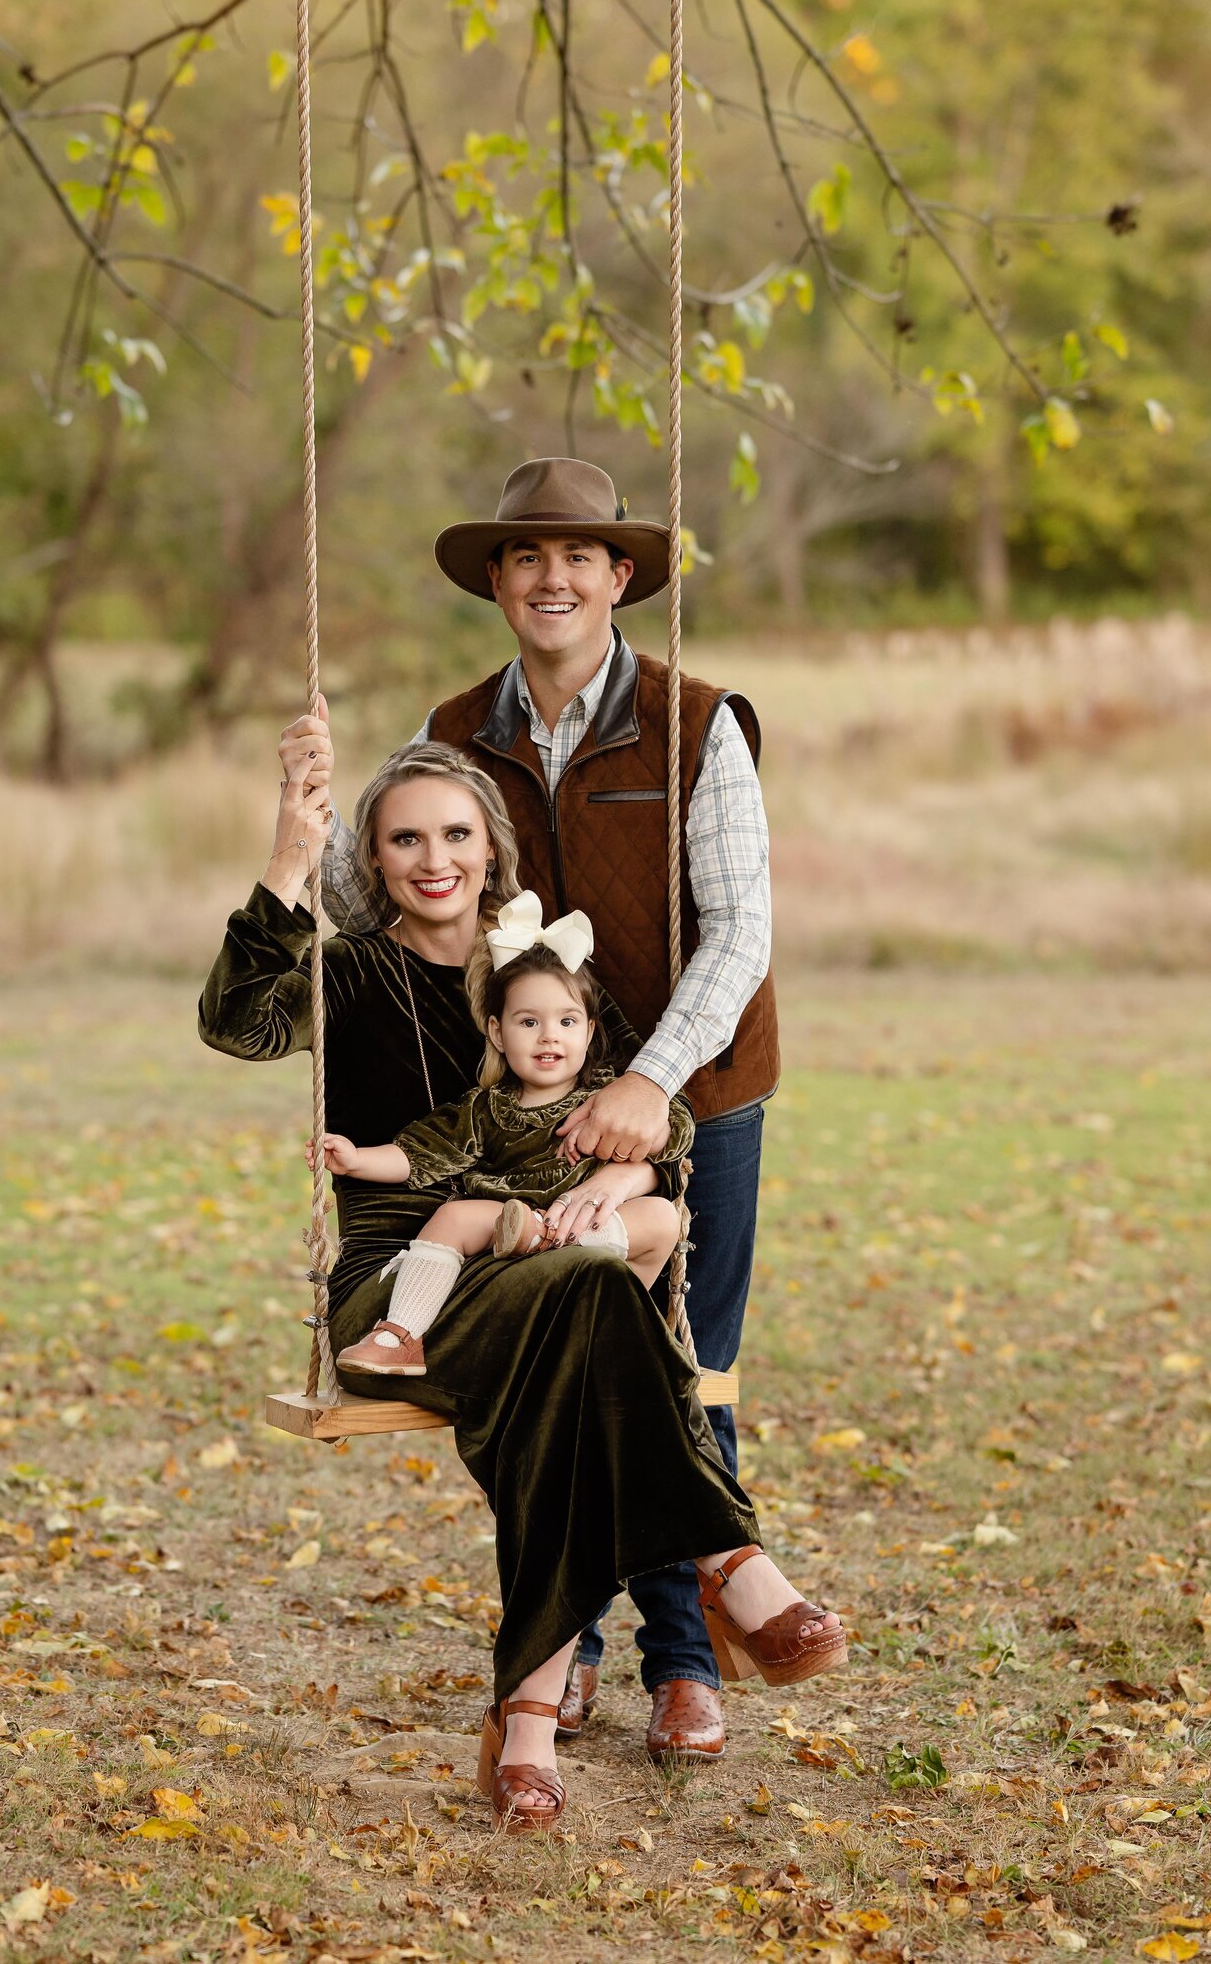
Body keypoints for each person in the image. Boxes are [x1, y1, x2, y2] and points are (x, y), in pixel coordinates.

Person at [199, 739, 842, 1832]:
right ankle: (727, 1558)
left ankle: (529, 1721)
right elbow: (239, 1023)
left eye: (456, 833)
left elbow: (646, 1128)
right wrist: (289, 857)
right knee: (589, 1302)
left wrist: (616, 1183)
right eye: (404, 838)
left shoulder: (544, 974)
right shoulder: (352, 967)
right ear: (376, 854)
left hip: (547, 1263)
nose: (433, 858)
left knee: (568, 1352)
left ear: (490, 846)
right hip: (405, 1281)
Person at [279, 454, 779, 1763]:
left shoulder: (697, 721)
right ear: (497, 580)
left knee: (678, 1361)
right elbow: (372, 893)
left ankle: (684, 1662)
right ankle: (572, 1659)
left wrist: (647, 1081)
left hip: (694, 1091)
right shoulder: (458, 723)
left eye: (579, 556)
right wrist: (319, 812)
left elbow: (740, 933)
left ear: (621, 575)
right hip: (521, 1111)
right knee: (567, 1370)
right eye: (525, 556)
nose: (552, 577)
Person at [318, 892, 694, 1378]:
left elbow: (675, 1128)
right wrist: (356, 1159)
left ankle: (617, 1326)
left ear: (589, 1030)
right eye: (529, 1022)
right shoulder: (485, 1107)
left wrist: (644, 1131)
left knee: (663, 1217)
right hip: (509, 1221)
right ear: (497, 1032)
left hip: (586, 1230)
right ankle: (400, 1335)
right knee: (454, 1217)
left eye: (566, 1021)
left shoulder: (608, 1098)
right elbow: (419, 1155)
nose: (549, 1036)